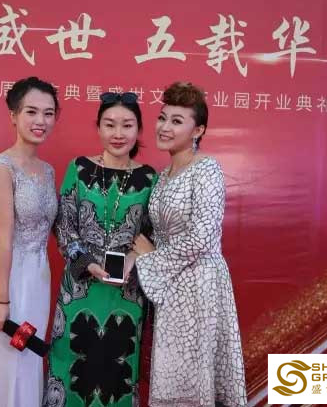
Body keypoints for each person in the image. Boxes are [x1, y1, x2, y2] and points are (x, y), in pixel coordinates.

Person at [131, 82, 247, 407]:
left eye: (177, 121)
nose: (165, 127)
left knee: (193, 381)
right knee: (171, 377)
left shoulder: (207, 169)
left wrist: (152, 256)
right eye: (163, 118)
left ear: (198, 130)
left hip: (198, 288)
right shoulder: (163, 175)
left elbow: (203, 236)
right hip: (170, 289)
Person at [44, 92, 157, 407]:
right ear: (98, 127)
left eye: (127, 125)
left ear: (139, 130)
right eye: (110, 124)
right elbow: (64, 225)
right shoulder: (79, 169)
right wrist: (84, 263)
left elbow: (153, 233)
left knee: (118, 373)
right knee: (71, 368)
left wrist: (134, 258)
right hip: (79, 289)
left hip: (126, 292)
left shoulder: (149, 178)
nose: (118, 133)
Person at [0, 76, 59, 407]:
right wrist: (1, 298)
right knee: (5, 364)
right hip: (7, 279)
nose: (40, 121)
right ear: (13, 115)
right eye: (31, 112)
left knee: (28, 361)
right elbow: (5, 238)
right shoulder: (2, 167)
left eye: (48, 113)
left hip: (38, 279)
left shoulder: (47, 170)